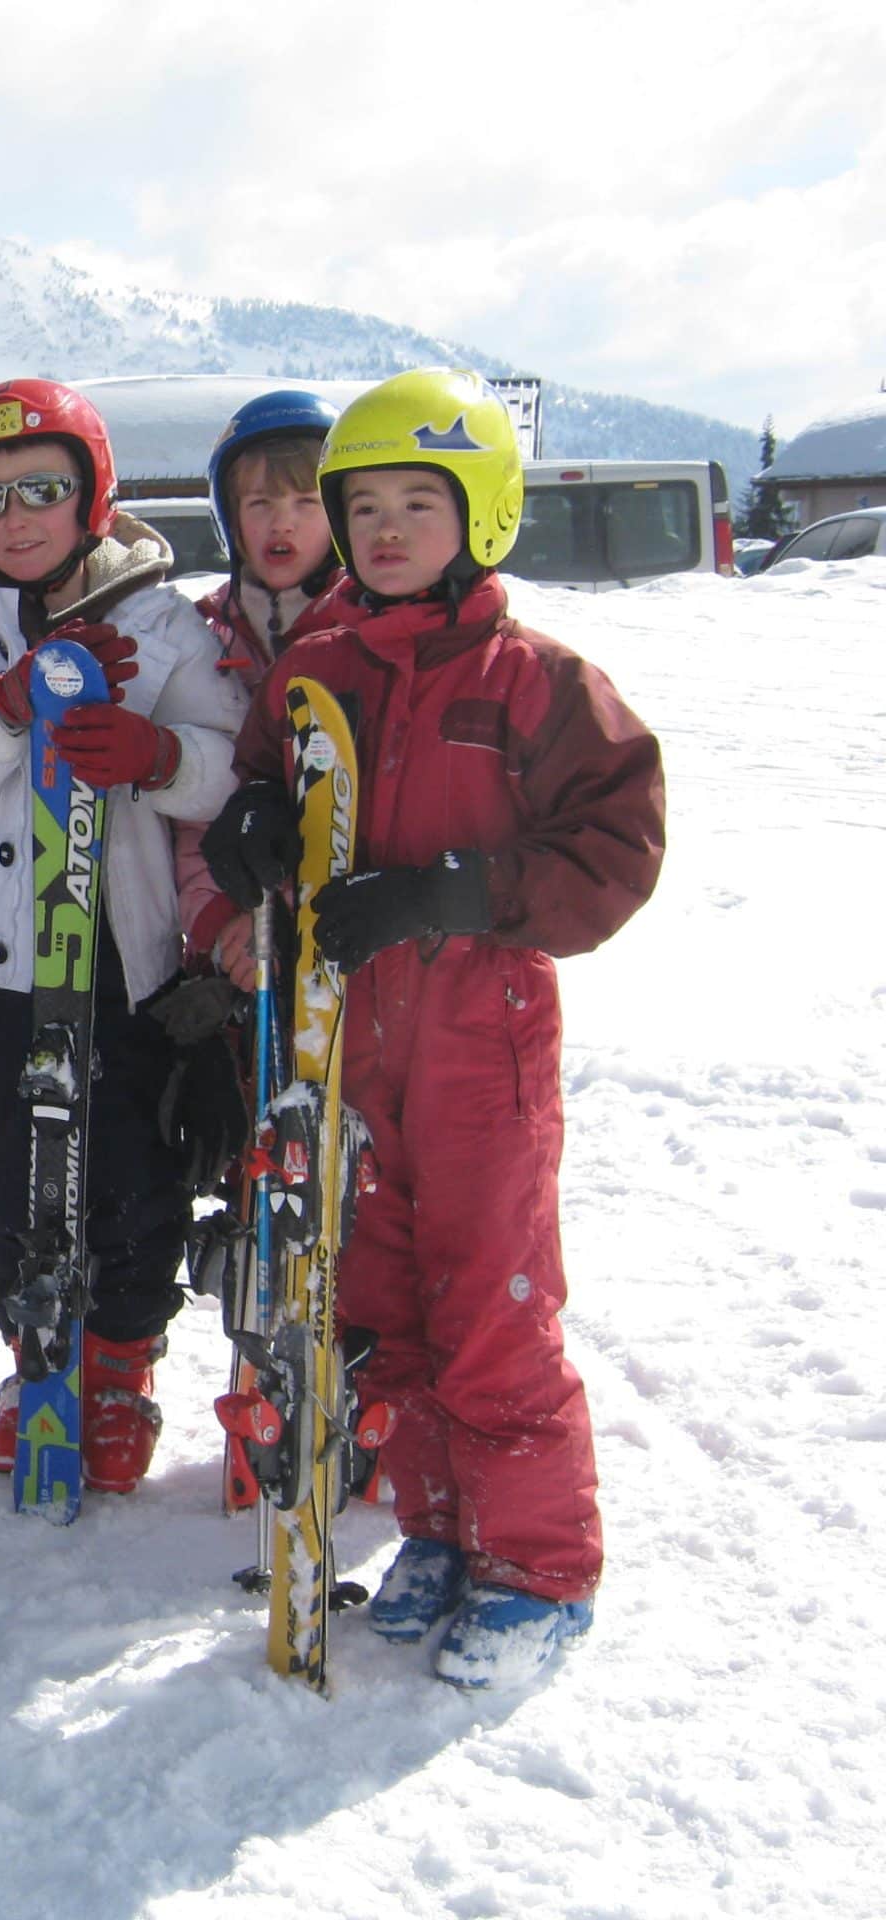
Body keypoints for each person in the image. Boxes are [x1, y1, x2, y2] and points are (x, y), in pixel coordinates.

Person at [201, 366, 664, 1688]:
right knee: (381, 1298)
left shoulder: (536, 677)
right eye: (367, 505)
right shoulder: (319, 662)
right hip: (343, 1040)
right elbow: (264, 781)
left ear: (487, 512)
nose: (390, 528)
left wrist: (462, 892)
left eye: (422, 500)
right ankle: (440, 1531)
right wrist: (249, 832)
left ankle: (538, 1566)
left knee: (494, 1307)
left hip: (479, 1046)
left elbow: (616, 846)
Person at [0, 378, 249, 1493]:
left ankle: (119, 1362)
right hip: (4, 963)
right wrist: (6, 706)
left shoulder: (162, 623)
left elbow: (225, 764)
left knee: (129, 1168)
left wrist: (155, 761)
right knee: (14, 1161)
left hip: (122, 961)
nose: (16, 518)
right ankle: (35, 1353)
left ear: (91, 494)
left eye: (41, 490)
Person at [182, 389, 344, 989]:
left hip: (353, 946)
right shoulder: (207, 640)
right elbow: (195, 815)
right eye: (260, 503)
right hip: (240, 949)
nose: (283, 523)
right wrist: (219, 915)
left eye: (308, 502)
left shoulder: (371, 635)